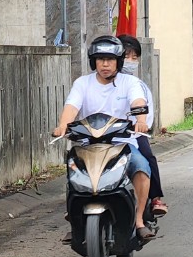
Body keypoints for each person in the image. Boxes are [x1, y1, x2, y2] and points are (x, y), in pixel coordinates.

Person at [54, 35, 155, 241]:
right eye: (100, 59)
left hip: (122, 145)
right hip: (88, 146)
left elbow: (138, 101)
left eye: (110, 59)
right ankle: (75, 220)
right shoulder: (82, 83)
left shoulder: (130, 82)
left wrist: (141, 120)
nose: (105, 64)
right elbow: (71, 107)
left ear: (119, 61)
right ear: (94, 62)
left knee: (142, 168)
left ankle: (139, 221)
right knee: (73, 173)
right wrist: (63, 125)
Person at [116, 34, 167, 218]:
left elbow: (146, 110)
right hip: (103, 136)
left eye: (134, 57)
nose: (130, 61)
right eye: (126, 56)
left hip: (132, 135)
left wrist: (141, 125)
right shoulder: (91, 82)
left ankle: (155, 198)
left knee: (147, 157)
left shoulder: (137, 85)